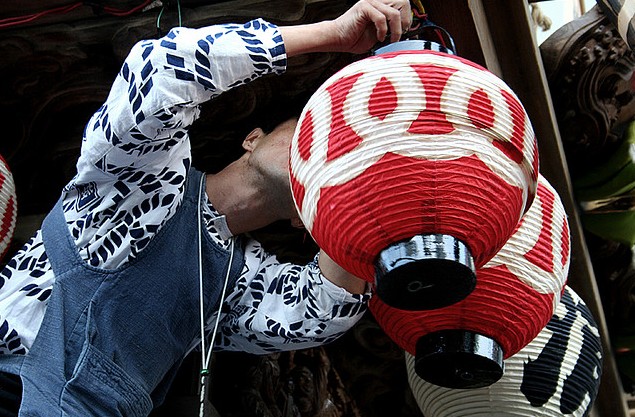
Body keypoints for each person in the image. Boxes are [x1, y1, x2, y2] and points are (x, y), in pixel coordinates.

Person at [0, 0, 412, 415]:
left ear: (302, 221)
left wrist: (357, 191)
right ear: (252, 138)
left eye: (338, 149)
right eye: (312, 126)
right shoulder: (146, 174)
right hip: (12, 385)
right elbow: (160, 68)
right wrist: (332, 33)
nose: (325, 147)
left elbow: (324, 309)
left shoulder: (240, 283)